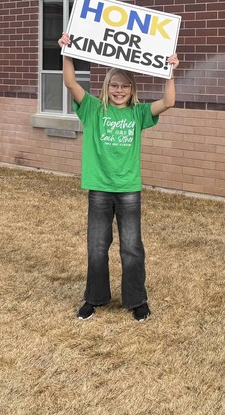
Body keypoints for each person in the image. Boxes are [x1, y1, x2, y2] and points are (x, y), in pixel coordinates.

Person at [58, 32, 179, 322]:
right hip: (99, 188)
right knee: (97, 245)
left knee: (131, 247)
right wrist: (66, 53)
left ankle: (137, 300)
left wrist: (170, 70)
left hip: (128, 190)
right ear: (106, 87)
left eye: (124, 86)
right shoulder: (92, 109)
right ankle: (94, 297)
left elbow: (169, 101)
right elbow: (70, 82)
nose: (119, 90)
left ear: (132, 89)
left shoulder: (138, 113)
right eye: (114, 85)